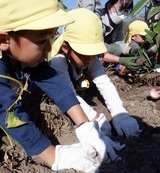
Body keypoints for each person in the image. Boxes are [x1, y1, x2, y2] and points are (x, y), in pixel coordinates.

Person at [0, 0, 125, 172]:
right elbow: (8, 112)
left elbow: (53, 81)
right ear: (3, 40)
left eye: (51, 38)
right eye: (42, 41)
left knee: (30, 86)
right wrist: (54, 155)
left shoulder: (16, 48)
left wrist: (85, 126)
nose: (49, 48)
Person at [50, 8, 141, 139]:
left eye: (93, 53)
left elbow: (104, 83)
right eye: (84, 53)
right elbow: (69, 94)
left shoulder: (90, 58)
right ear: (65, 47)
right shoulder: (57, 61)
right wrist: (93, 117)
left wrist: (120, 113)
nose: (90, 58)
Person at [78, 0, 141, 72]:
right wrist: (121, 60)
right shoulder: (97, 18)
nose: (122, 14)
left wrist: (131, 50)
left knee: (116, 48)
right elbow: (98, 50)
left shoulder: (119, 23)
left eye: (126, 11)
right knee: (114, 49)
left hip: (105, 54)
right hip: (92, 54)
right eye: (120, 9)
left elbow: (119, 42)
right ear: (109, 6)